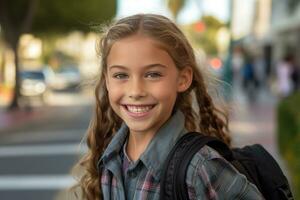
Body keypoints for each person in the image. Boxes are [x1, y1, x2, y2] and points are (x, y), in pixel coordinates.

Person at [73, 14, 264, 200]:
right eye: (121, 75)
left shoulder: (200, 168)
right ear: (106, 81)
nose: (136, 91)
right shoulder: (109, 158)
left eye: (153, 74)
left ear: (183, 79)